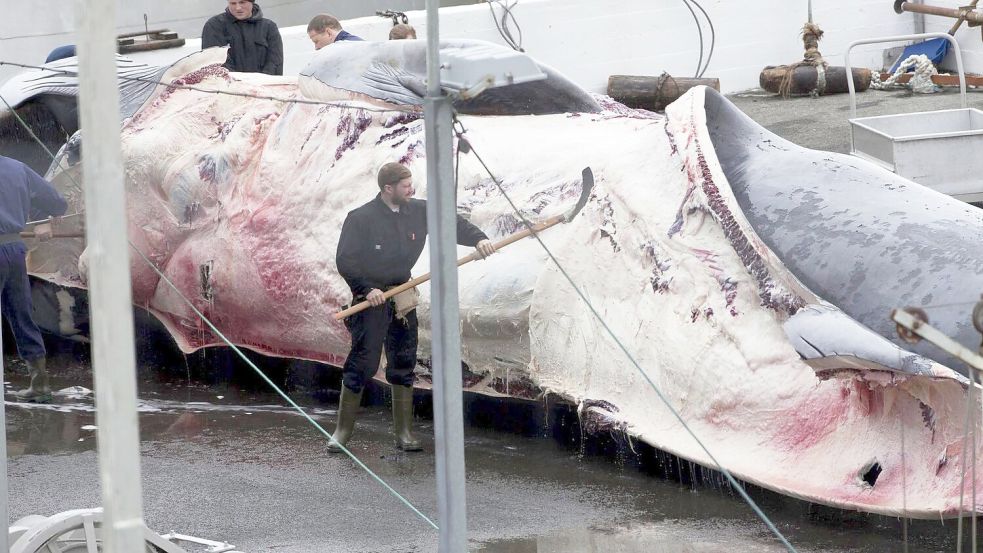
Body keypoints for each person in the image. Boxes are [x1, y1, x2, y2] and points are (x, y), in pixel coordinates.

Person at [332, 163, 496, 452]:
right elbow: (345, 259)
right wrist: (365, 289)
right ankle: (342, 432)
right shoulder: (360, 219)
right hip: (370, 299)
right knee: (362, 363)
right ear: (388, 188)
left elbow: (452, 223)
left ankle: (404, 433)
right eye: (406, 185)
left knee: (403, 360)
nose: (412, 189)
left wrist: (479, 239)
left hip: (403, 295)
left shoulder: (419, 211)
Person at [0, 156, 68, 403]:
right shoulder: (17, 167)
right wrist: (43, 218)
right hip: (14, 251)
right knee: (21, 315)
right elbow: (57, 203)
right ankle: (39, 383)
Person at [201, 0, 283, 75]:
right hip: (229, 87)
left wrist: (261, 83)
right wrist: (238, 83)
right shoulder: (214, 26)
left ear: (252, 2)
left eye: (242, 2)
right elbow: (214, 61)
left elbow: (275, 62)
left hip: (263, 87)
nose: (238, 8)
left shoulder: (269, 27)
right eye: (233, 3)